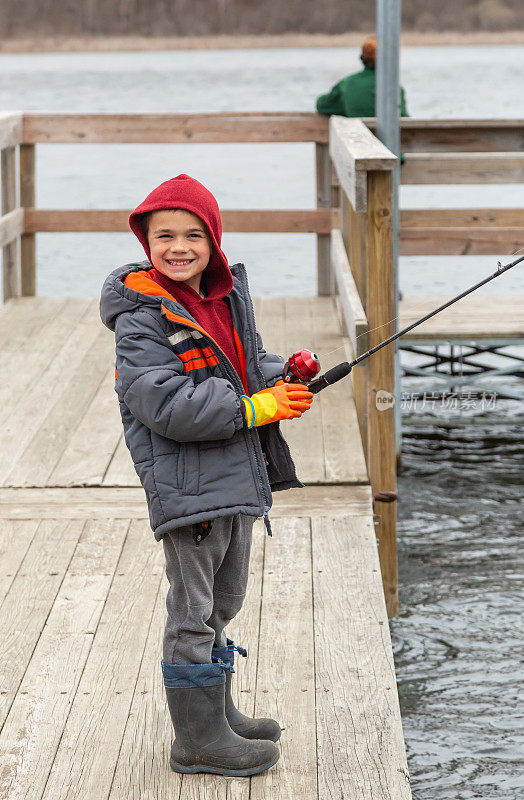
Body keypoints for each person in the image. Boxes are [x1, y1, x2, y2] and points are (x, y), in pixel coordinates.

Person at [100, 174, 314, 778]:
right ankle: (195, 742)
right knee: (191, 610)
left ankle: (215, 712)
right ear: (146, 242)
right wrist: (253, 409)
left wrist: (278, 378)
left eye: (194, 234)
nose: (179, 246)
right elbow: (163, 403)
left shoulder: (222, 297)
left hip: (233, 475)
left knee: (225, 597)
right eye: (164, 235)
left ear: (213, 241)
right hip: (188, 483)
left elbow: (245, 360)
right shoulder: (141, 319)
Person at [316, 35, 409, 118]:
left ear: (362, 57)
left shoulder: (347, 84)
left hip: (356, 135)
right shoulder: (393, 87)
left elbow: (322, 105)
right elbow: (403, 119)